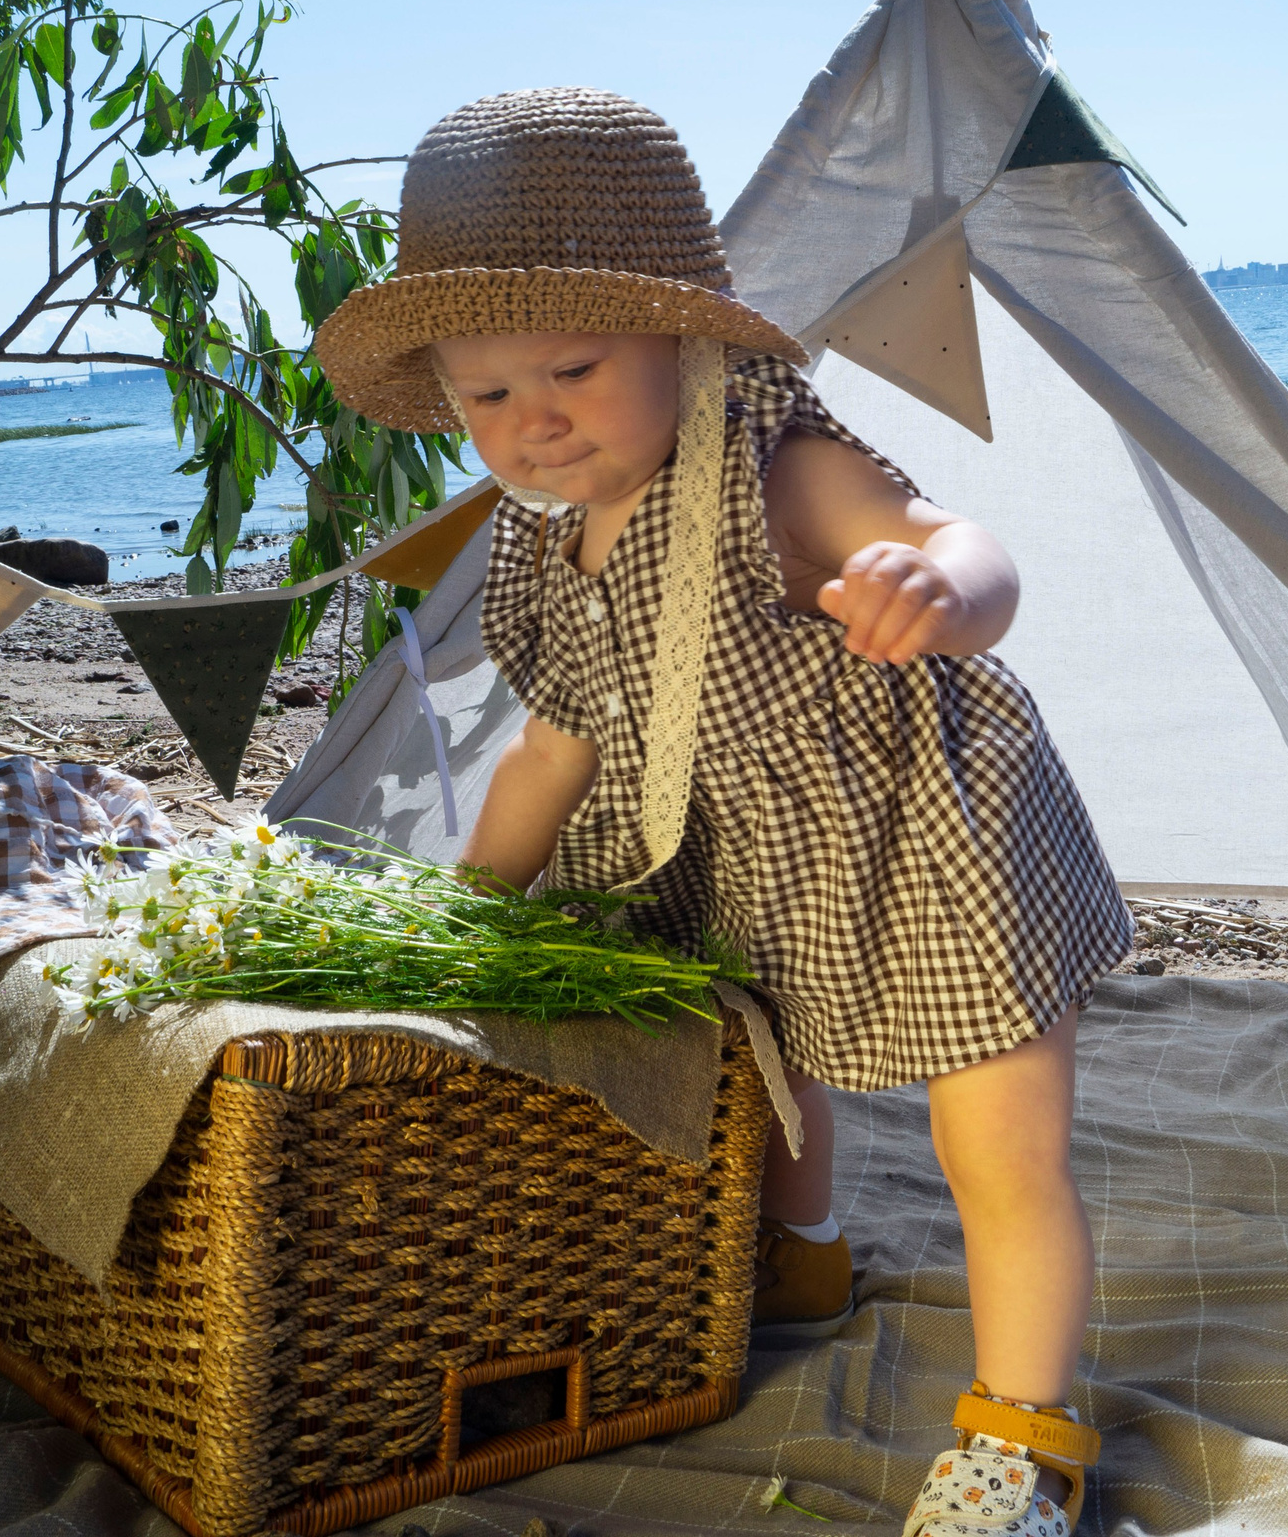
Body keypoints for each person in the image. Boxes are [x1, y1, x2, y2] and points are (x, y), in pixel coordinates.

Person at [315, 87, 1131, 1537]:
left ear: (683, 337)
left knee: (996, 1143)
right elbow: (550, 755)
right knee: (765, 1073)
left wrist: (942, 594)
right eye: (489, 396)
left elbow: (963, 543)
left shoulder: (772, 465)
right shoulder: (543, 544)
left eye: (573, 364)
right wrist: (460, 920)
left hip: (923, 833)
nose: (535, 420)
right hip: (731, 849)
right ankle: (804, 1258)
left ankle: (1026, 1433)